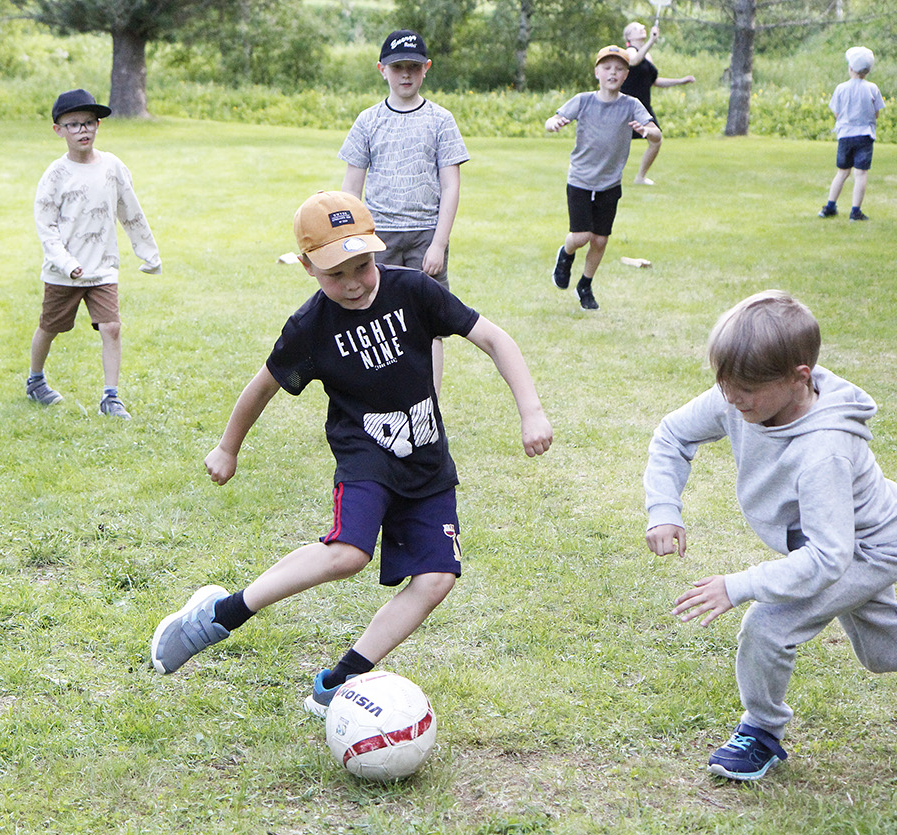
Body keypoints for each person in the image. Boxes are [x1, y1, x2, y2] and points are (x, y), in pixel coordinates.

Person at [150, 191, 552, 717]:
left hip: (427, 459)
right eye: (336, 274)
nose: (355, 283)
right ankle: (219, 613)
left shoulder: (413, 291)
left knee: (436, 579)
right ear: (307, 268)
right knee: (349, 553)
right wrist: (228, 447)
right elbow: (262, 387)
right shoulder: (309, 328)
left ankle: (337, 682)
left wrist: (531, 410)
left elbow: (495, 339)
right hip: (366, 455)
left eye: (362, 265)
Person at [644, 290, 897, 782]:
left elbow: (828, 557)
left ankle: (760, 732)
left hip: (868, 549)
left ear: (799, 377)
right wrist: (663, 509)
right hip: (828, 544)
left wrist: (738, 586)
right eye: (723, 383)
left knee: (767, 626)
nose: (731, 398)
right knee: (884, 650)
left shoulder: (825, 450)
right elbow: (673, 435)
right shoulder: (738, 395)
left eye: (744, 389)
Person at [339, 29, 470, 394]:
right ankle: (375, 396)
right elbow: (351, 189)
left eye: (414, 66)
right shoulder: (368, 121)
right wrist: (353, 241)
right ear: (382, 70)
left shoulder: (441, 120)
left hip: (426, 234)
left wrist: (438, 245)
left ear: (426, 68)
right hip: (377, 238)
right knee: (372, 321)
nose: (406, 74)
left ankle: (430, 402)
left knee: (429, 323)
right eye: (398, 67)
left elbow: (450, 186)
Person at [27, 88, 162, 419]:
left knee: (111, 327)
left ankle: (110, 397)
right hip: (64, 271)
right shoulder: (55, 175)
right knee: (50, 326)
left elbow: (130, 211)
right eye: (73, 125)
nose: (82, 130)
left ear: (98, 125)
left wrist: (148, 252)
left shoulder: (112, 166)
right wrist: (66, 263)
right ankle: (35, 381)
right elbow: (46, 227)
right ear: (58, 130)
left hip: (103, 268)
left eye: (88, 123)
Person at [544, 46, 660, 311]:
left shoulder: (631, 105)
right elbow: (553, 119)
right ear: (597, 72)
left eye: (619, 69)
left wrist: (647, 131)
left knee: (600, 240)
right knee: (581, 235)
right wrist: (554, 124)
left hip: (610, 183)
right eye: (607, 67)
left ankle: (585, 285)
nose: (612, 73)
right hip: (581, 180)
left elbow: (656, 135)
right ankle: (566, 254)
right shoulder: (583, 100)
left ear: (625, 75)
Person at [620, 21, 695, 185]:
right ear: (629, 36)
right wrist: (651, 42)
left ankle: (640, 177)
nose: (642, 28)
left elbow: (654, 81)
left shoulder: (647, 55)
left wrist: (680, 81)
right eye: (636, 28)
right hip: (625, 104)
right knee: (614, 141)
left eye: (642, 27)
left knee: (656, 138)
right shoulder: (629, 51)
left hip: (643, 106)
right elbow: (633, 62)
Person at [819, 46, 884, 221]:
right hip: (865, 135)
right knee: (861, 173)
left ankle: (830, 206)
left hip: (845, 135)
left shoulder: (841, 88)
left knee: (842, 171)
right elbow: (876, 112)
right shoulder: (872, 88)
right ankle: (855, 211)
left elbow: (837, 113)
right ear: (867, 71)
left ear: (850, 68)